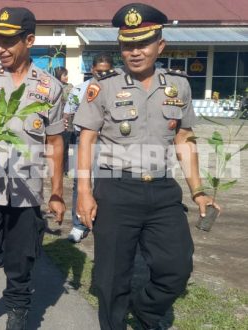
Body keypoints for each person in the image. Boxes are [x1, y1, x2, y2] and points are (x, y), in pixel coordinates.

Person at [73, 4, 220, 329]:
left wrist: (198, 191)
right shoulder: (104, 87)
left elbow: (184, 137)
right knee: (112, 278)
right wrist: (84, 192)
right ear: (120, 47)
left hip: (163, 191)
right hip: (115, 190)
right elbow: (86, 140)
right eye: (128, 45)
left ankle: (146, 311)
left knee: (177, 267)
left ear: (160, 46)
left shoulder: (178, 85)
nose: (135, 52)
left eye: (143, 44)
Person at [0, 8, 66, 329]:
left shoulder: (50, 88)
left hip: (26, 192)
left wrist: (57, 193)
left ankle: (18, 308)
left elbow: (56, 143)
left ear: (29, 40)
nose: (1, 48)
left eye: (9, 40)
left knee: (21, 263)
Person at [65, 53, 114, 243]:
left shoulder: (117, 89)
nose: (102, 74)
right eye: (99, 71)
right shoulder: (79, 91)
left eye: (107, 71)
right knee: (81, 182)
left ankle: (104, 222)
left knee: (108, 181)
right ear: (92, 70)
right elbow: (68, 114)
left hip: (109, 141)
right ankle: (79, 224)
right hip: (83, 140)